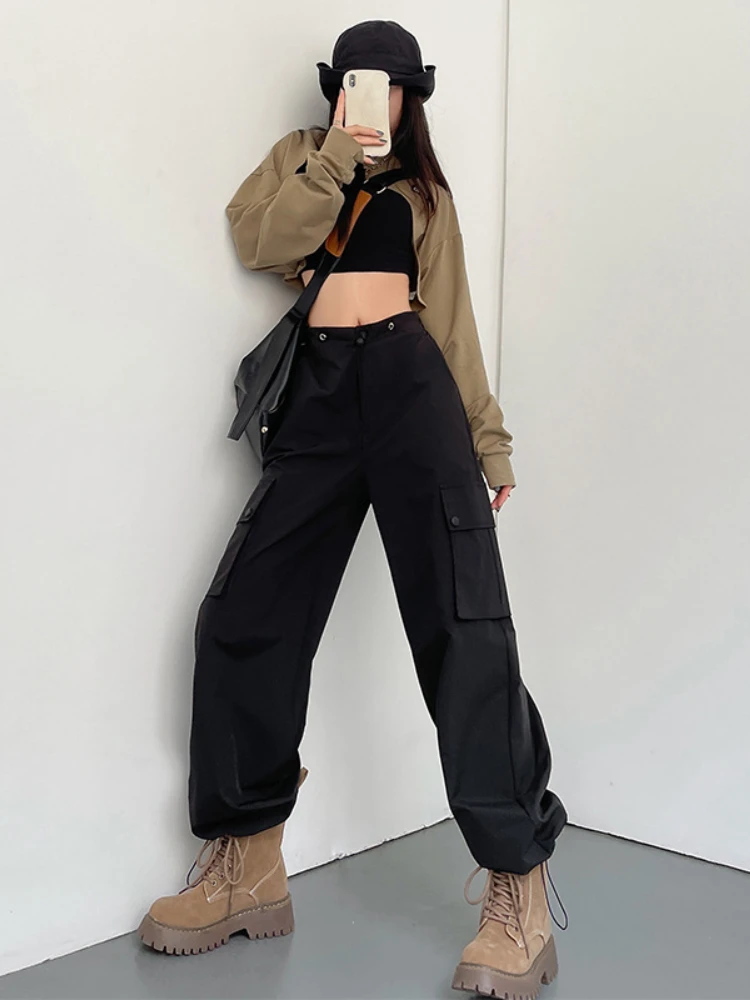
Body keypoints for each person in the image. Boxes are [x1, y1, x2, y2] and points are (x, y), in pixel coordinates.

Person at [138, 19, 569, 999]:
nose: (373, 99)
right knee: (243, 616)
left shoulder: (427, 196)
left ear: (412, 97)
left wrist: (489, 441)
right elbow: (262, 241)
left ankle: (519, 885)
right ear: (338, 91)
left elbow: (452, 326)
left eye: (389, 86)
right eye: (357, 84)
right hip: (322, 397)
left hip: (415, 393)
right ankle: (248, 862)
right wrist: (337, 153)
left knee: (464, 628)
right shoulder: (303, 160)